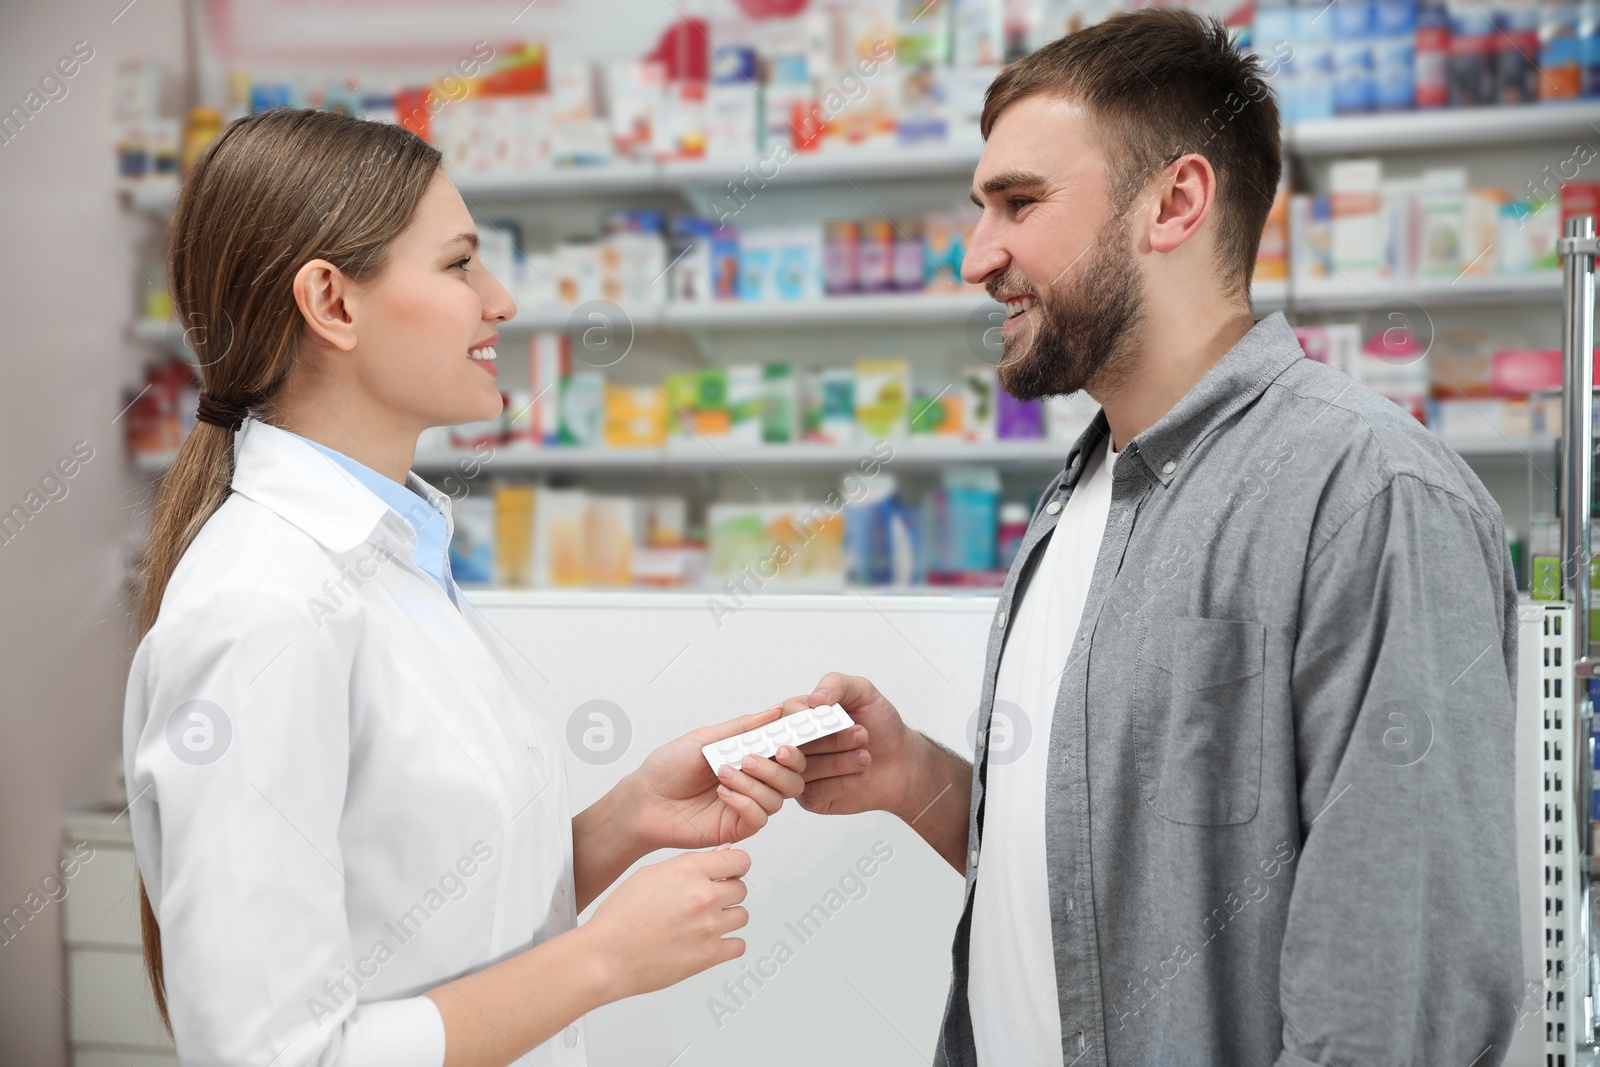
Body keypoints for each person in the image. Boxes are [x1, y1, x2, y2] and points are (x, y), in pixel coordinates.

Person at [787, 9, 1522, 1066]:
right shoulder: (1079, 492)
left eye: (1018, 203)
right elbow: (1106, 881)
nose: (973, 255)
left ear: (1173, 203)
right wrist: (913, 775)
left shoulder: (1368, 495)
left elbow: (1397, 999)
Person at [123, 107, 806, 1067]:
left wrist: (626, 818)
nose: (501, 301)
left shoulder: (393, 553)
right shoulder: (263, 607)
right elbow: (276, 1055)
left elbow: (422, 908)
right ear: (332, 301)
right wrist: (604, 958)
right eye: (458, 265)